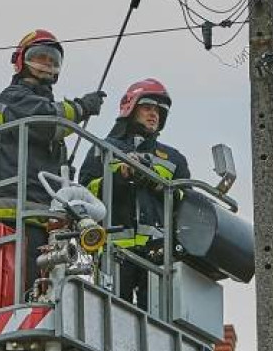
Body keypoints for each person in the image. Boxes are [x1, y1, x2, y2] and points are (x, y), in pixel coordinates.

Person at [0, 29, 105, 293]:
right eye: (40, 57)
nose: (47, 65)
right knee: (21, 287)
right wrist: (82, 107)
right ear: (21, 61)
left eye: (53, 60)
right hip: (15, 209)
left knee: (40, 287)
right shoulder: (13, 97)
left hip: (39, 212)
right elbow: (49, 123)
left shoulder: (37, 103)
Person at [79, 78, 190, 311]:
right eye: (147, 107)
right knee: (113, 316)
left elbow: (186, 203)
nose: (154, 115)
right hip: (114, 252)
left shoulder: (174, 159)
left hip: (158, 254)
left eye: (158, 111)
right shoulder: (103, 149)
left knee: (158, 320)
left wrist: (157, 184)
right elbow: (85, 193)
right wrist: (120, 176)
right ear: (130, 108)